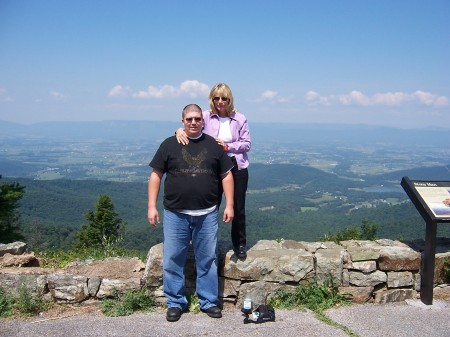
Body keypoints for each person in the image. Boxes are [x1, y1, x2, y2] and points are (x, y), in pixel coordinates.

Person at [148, 103, 234, 322]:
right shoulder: (169, 144)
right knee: (172, 259)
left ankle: (208, 302)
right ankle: (175, 302)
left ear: (202, 121)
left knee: (207, 259)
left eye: (197, 119)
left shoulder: (214, 146)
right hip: (175, 213)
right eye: (189, 119)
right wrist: (151, 206)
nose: (194, 122)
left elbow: (226, 175)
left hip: (207, 213)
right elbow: (156, 175)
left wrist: (230, 204)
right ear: (182, 121)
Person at [176, 83, 251, 259]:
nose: (220, 101)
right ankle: (204, 242)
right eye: (216, 98)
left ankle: (240, 244)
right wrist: (178, 130)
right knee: (210, 206)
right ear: (212, 99)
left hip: (236, 165)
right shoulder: (206, 117)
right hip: (213, 166)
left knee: (238, 207)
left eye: (223, 98)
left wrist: (227, 146)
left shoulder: (240, 119)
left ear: (229, 99)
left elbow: (247, 144)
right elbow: (190, 123)